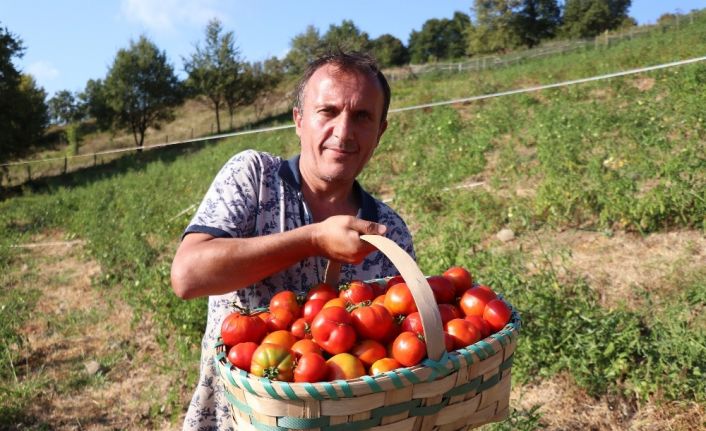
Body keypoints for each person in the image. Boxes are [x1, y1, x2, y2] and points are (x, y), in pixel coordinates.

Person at [171, 51, 415, 430]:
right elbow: (188, 276)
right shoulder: (255, 178)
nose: (344, 131)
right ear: (299, 120)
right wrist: (314, 239)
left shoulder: (388, 232)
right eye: (328, 111)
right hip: (236, 421)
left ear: (380, 131)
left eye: (362, 116)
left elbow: (402, 358)